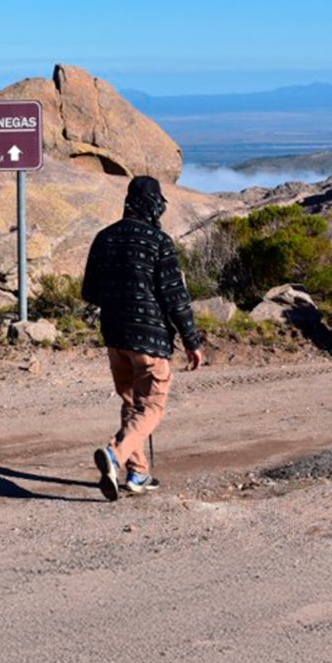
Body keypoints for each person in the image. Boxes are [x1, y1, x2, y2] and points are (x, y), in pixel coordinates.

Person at [82, 175, 203, 501]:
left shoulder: (103, 238)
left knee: (131, 403)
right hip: (149, 339)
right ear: (154, 204)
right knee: (151, 407)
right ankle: (114, 455)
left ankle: (137, 473)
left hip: (114, 334)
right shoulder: (158, 241)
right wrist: (192, 341)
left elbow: (89, 292)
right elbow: (175, 298)